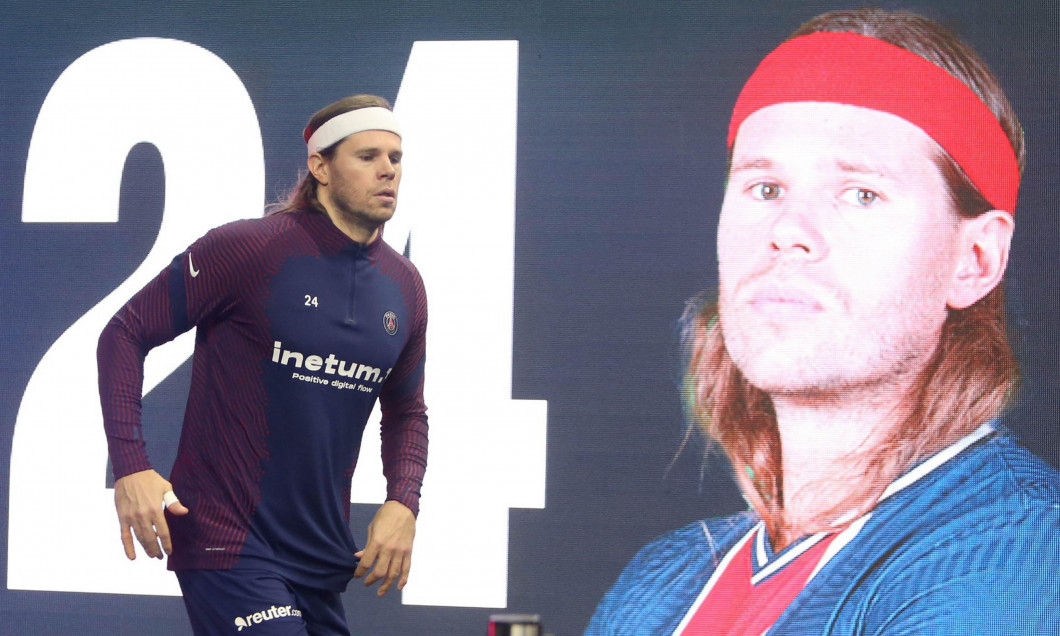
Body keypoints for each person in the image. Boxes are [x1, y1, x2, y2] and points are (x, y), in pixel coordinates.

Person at [585, 8, 1059, 635]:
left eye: (861, 194)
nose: (788, 232)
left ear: (975, 261)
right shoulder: (663, 582)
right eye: (764, 188)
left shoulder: (1016, 556)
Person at [98, 94, 428, 635]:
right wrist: (130, 464)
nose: (387, 169)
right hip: (227, 538)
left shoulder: (405, 288)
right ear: (320, 167)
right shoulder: (247, 250)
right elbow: (125, 332)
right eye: (367, 156)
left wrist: (403, 501)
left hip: (321, 554)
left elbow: (408, 409)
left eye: (395, 158)